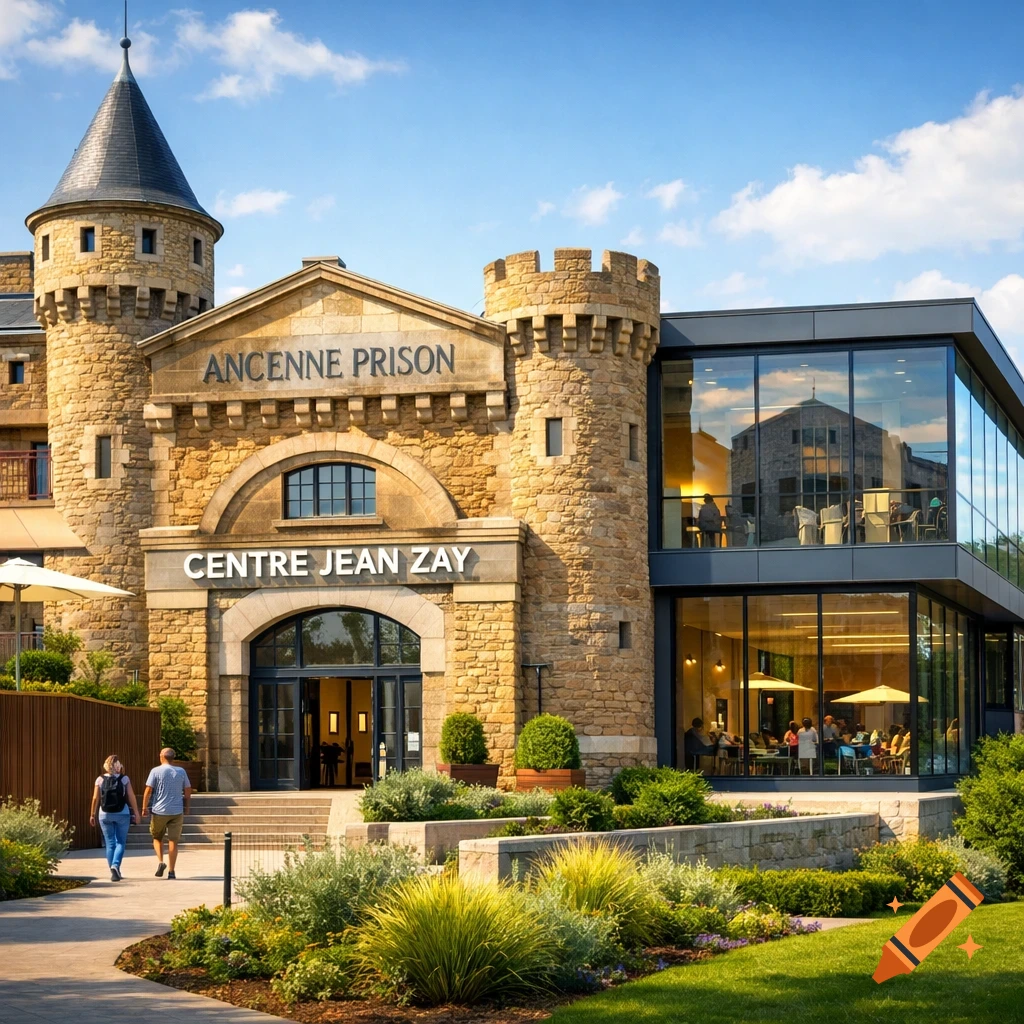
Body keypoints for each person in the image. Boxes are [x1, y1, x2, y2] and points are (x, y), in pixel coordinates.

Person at [142, 747, 191, 879]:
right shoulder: (181, 771)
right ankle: (172, 871)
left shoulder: (155, 771)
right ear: (173, 758)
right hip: (176, 811)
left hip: (159, 811)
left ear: (162, 757)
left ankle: (161, 861)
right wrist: (187, 807)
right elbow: (187, 790)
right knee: (173, 841)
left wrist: (144, 807)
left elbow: (148, 790)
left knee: (157, 837)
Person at [89, 754, 140, 882]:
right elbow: (131, 796)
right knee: (120, 842)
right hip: (122, 813)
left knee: (110, 843)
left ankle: (114, 871)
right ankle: (115, 866)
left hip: (104, 814)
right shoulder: (124, 779)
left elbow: (95, 798)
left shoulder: (99, 779)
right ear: (118, 766)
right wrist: (136, 812)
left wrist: (92, 814)